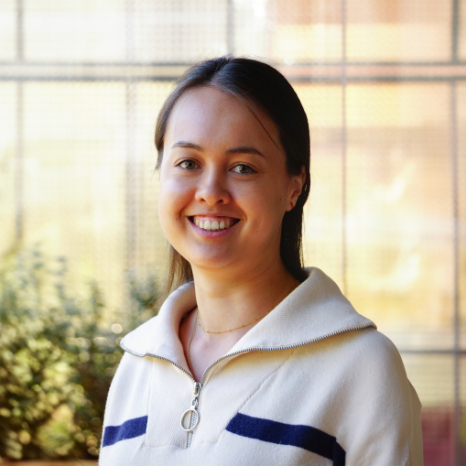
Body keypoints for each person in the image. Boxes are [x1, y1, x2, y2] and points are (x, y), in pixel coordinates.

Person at [99, 56, 423, 466]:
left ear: (294, 186)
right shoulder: (138, 364)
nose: (210, 191)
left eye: (242, 167)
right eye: (188, 163)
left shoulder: (361, 368)